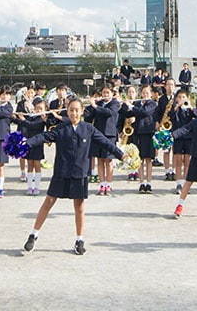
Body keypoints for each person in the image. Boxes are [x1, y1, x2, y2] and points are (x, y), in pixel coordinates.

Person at [21, 97, 123, 255]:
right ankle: (33, 235)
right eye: (71, 110)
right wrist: (26, 143)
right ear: (67, 112)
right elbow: (43, 136)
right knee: (48, 202)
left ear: (82, 111)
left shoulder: (89, 129)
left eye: (77, 110)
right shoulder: (61, 128)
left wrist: (122, 155)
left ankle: (79, 240)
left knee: (79, 207)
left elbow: (105, 142)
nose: (74, 113)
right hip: (61, 172)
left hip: (79, 173)